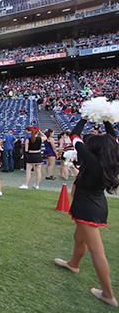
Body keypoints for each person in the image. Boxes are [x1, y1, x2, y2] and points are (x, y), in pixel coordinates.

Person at [54, 119, 119, 308]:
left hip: (87, 207)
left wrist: (84, 117)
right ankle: (73, 264)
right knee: (78, 238)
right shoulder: (111, 157)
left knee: (97, 252)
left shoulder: (91, 160)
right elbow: (112, 138)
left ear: (97, 148)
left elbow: (74, 136)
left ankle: (108, 294)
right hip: (95, 204)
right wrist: (107, 120)